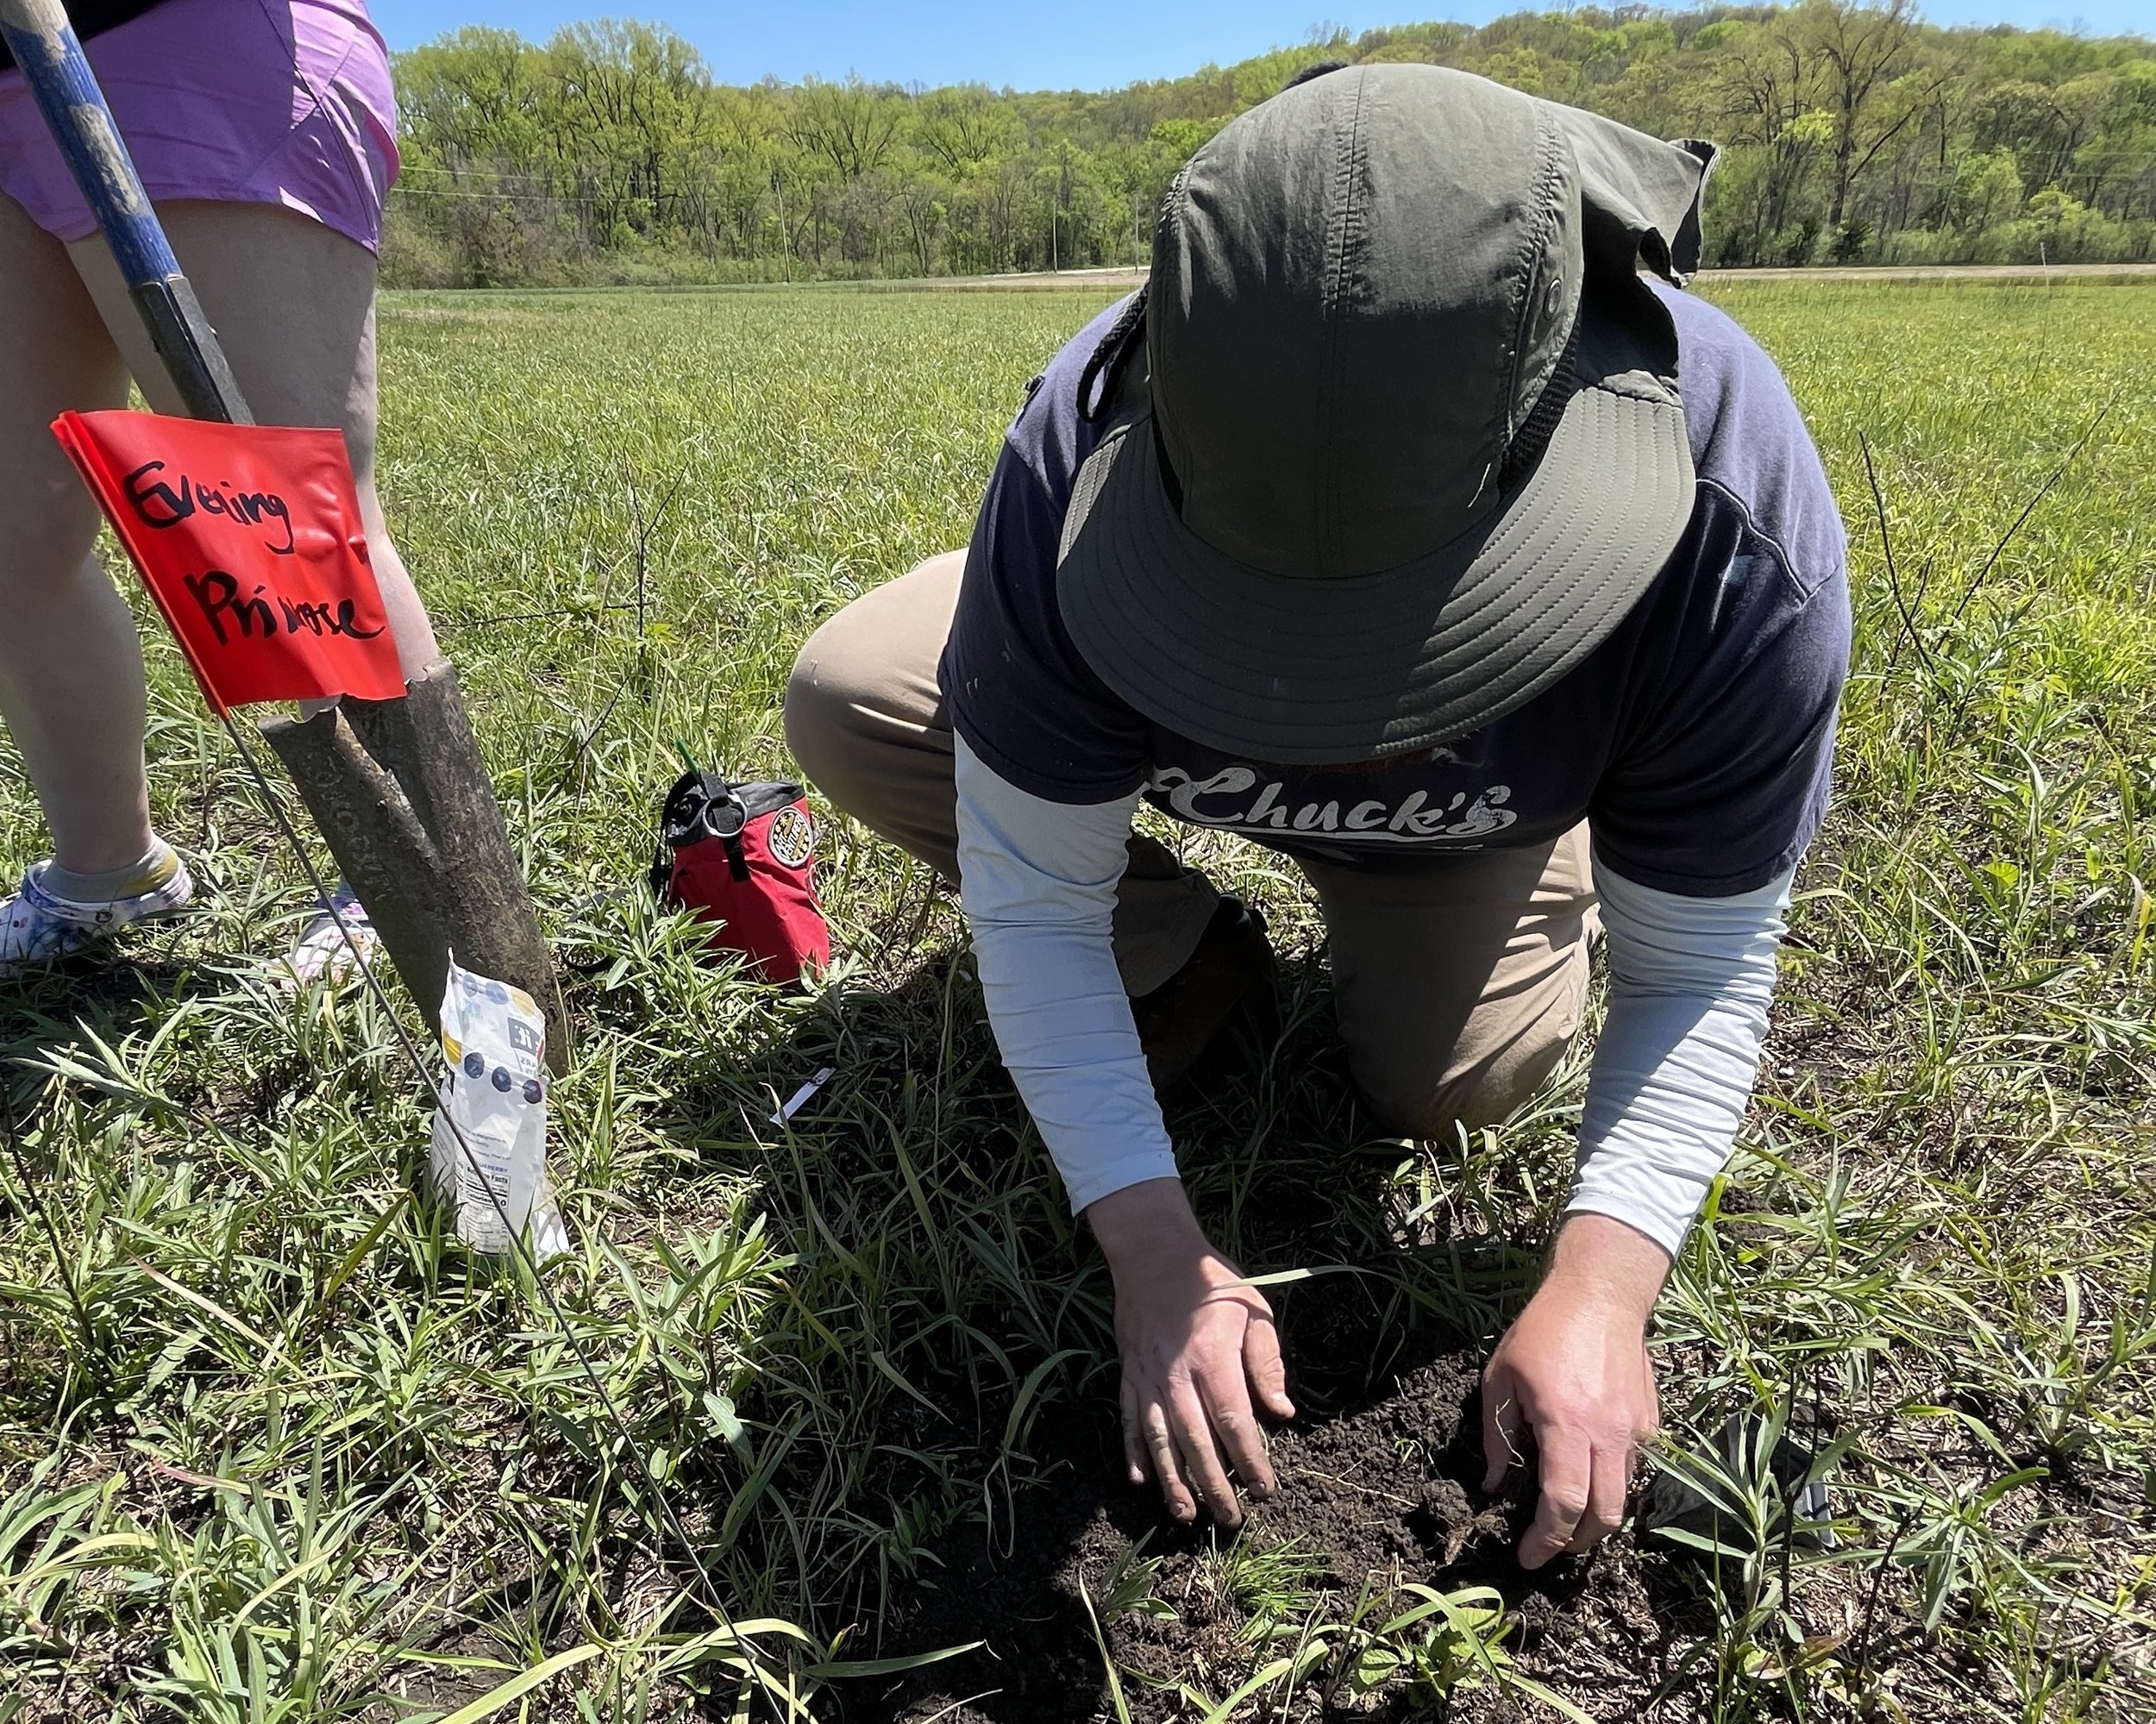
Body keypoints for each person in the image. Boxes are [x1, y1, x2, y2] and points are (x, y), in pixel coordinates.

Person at [786, 62, 1849, 1569]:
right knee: (853, 692)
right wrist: (1155, 1254)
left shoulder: (1732, 527)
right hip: (1095, 655)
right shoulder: (1074, 446)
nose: (1333, 703)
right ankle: (1186, 942)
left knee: (1452, 1083)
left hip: (1476, 817)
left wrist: (1604, 1288)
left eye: (1425, 631)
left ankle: (1515, 847)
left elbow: (1699, 970)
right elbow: (1028, 908)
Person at [0, 0, 432, 976]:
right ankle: (109, 873)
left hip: (183, 34)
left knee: (293, 513)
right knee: (12, 541)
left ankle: (418, 884)